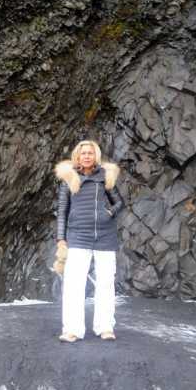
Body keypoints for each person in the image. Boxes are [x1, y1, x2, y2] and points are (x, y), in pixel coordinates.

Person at [53, 140, 124, 343]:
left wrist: (109, 212)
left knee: (106, 283)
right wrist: (61, 239)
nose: (86, 156)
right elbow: (62, 213)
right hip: (77, 236)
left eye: (90, 153)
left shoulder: (105, 176)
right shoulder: (68, 178)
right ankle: (72, 330)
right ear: (77, 156)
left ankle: (105, 327)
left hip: (105, 236)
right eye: (83, 153)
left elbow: (119, 202)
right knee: (74, 284)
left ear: (96, 156)